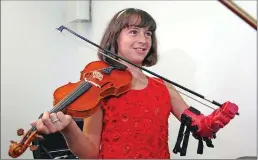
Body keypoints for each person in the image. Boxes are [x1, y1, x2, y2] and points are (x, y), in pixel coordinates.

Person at [31, 8, 239, 159]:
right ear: (115, 38)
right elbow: (91, 153)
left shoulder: (163, 87)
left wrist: (219, 117)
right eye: (134, 31)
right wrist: (69, 128)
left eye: (148, 33)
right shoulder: (101, 87)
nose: (143, 39)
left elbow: (199, 126)